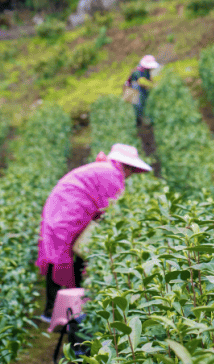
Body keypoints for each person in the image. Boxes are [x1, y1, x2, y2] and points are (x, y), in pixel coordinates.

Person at [36, 144, 151, 320]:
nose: (131, 175)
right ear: (126, 166)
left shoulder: (107, 170)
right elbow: (112, 210)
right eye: (132, 170)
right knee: (61, 258)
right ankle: (56, 311)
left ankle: (62, 309)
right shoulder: (112, 175)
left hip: (65, 210)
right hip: (66, 214)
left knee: (66, 257)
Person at [126, 55, 160, 125]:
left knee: (145, 102)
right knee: (137, 106)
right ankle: (137, 121)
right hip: (132, 89)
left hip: (141, 88)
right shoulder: (138, 70)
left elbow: (149, 79)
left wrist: (155, 84)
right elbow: (141, 82)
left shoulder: (147, 71)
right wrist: (153, 86)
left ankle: (143, 118)